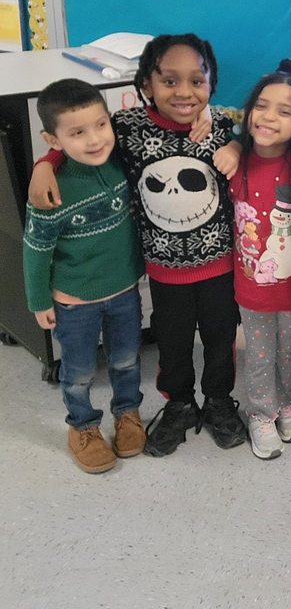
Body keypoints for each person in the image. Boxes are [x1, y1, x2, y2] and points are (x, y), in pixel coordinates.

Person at [29, 34, 247, 457]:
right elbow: (85, 139)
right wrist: (46, 162)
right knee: (173, 340)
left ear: (211, 85)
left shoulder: (221, 125)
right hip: (165, 272)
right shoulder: (129, 128)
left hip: (220, 265)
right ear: (145, 85)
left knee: (221, 340)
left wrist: (236, 140)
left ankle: (219, 401)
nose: (184, 92)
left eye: (197, 81)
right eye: (169, 81)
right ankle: (180, 404)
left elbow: (253, 128)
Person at [22, 79, 146, 474]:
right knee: (77, 372)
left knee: (126, 360)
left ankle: (127, 413)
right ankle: (83, 426)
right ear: (52, 139)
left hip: (125, 290)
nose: (95, 139)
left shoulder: (120, 161)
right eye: (77, 132)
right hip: (74, 301)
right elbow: (36, 250)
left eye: (100, 125)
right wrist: (38, 300)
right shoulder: (51, 190)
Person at [228, 60, 291, 460]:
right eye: (262, 106)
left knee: (289, 352)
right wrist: (230, 141)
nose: (269, 117)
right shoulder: (235, 161)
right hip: (251, 286)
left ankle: (286, 403)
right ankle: (260, 413)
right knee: (259, 354)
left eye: (285, 111)